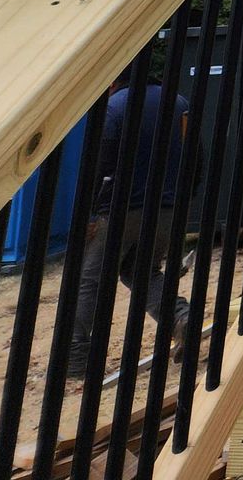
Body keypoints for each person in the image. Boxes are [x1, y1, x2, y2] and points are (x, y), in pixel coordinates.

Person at [66, 79, 191, 376]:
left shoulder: (114, 108)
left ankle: (75, 357)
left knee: (88, 279)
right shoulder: (179, 103)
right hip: (166, 208)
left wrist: (89, 214)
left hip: (120, 211)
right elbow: (194, 158)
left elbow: (100, 165)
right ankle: (181, 318)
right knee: (141, 271)